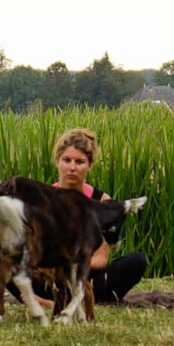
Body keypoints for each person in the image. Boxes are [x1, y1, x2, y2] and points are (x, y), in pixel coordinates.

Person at [50, 127, 147, 302]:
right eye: (67, 160)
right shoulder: (45, 198)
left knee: (136, 261)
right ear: (57, 161)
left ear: (89, 165)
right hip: (52, 278)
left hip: (89, 276)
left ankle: (82, 297)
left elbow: (101, 258)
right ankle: (51, 300)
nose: (72, 168)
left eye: (79, 162)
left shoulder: (102, 201)